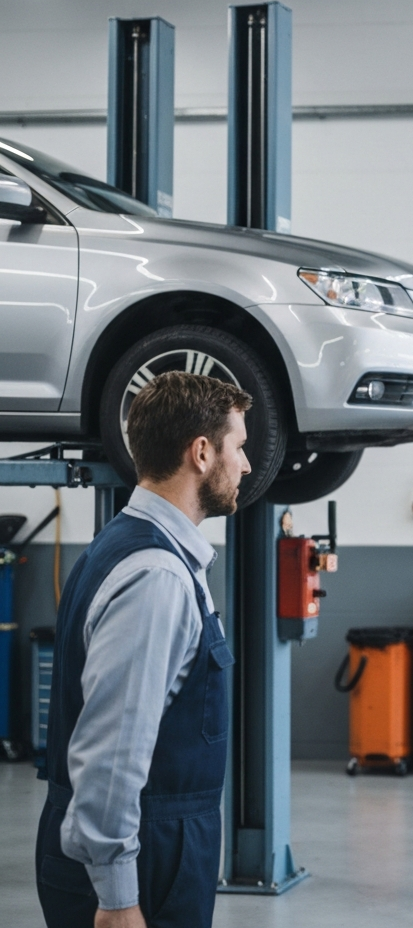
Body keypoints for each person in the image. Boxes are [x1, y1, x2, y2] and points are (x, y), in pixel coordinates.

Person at [36, 371, 253, 928]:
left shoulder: (130, 545)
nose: (247, 466)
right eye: (240, 447)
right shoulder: (155, 575)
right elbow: (110, 752)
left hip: (152, 846)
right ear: (201, 453)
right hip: (147, 863)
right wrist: (117, 896)